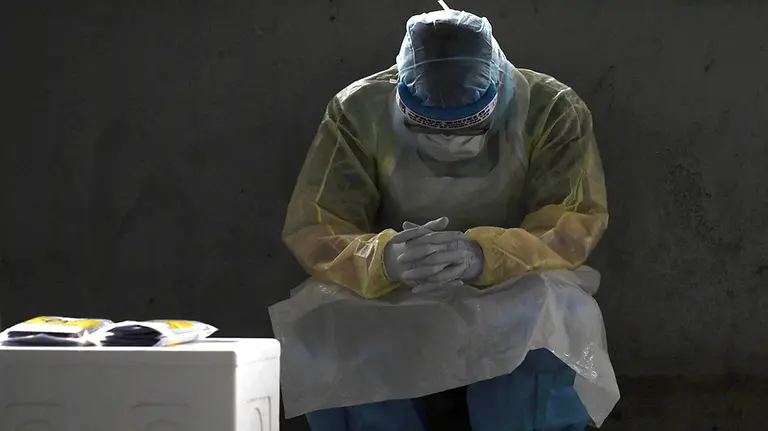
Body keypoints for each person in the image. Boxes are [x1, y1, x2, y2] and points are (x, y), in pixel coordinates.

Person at [270, 4, 618, 431]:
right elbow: (319, 224)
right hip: (397, 284)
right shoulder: (358, 111)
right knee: (323, 319)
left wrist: (484, 255)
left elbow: (571, 222)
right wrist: (383, 259)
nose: (450, 144)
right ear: (400, 94)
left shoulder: (550, 109)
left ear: (499, 90)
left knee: (547, 312)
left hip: (516, 280)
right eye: (430, 129)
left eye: (468, 127)